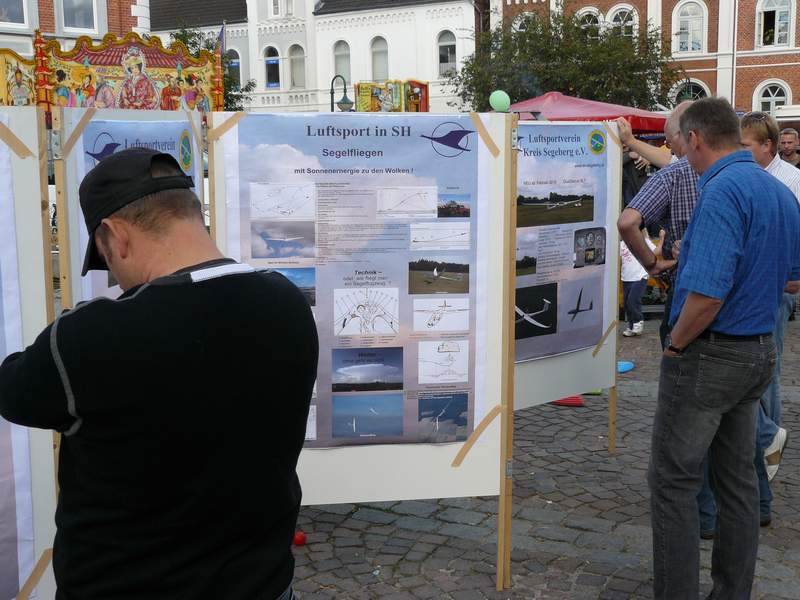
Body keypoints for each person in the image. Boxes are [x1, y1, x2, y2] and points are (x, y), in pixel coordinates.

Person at [0, 148, 317, 600]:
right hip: (262, 585)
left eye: (106, 260)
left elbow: (14, 391)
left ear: (116, 235)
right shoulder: (287, 302)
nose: (115, 275)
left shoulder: (91, 336)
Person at [648, 97, 800, 600]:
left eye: (680, 143)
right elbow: (793, 280)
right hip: (759, 349)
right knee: (737, 482)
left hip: (711, 354)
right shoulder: (777, 190)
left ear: (695, 139)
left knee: (673, 480)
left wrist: (675, 344)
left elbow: (707, 297)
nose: (681, 154)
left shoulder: (719, 191)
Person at [739, 111, 799, 524]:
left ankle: (768, 439)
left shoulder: (790, 181)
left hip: (777, 288)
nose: (739, 153)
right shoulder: (749, 177)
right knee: (755, 369)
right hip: (755, 287)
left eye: (745, 146)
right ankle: (763, 439)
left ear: (768, 145)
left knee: (768, 369)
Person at [617, 101, 696, 349]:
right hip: (743, 300)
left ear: (683, 136)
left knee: (678, 357)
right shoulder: (753, 172)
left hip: (685, 287)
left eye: (669, 142)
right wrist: (631, 142)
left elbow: (627, 222)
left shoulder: (673, 174)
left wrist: (651, 264)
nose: (669, 150)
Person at [620, 231, 659, 336]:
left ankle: (638, 321)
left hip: (640, 276)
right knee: (627, 304)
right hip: (626, 277)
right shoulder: (622, 244)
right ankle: (631, 326)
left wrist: (662, 238)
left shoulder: (644, 241)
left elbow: (657, 251)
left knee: (633, 300)